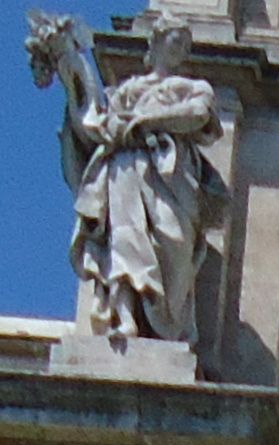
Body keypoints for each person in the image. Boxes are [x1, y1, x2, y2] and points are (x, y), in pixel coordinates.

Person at [30, 11, 228, 346]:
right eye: (174, 38)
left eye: (185, 42)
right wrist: (71, 65)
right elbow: (95, 122)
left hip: (171, 177)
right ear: (157, 42)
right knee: (124, 238)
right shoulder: (126, 90)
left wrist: (146, 120)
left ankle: (168, 321)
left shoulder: (194, 88)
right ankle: (123, 316)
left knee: (174, 243)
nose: (179, 45)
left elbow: (197, 115)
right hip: (125, 168)